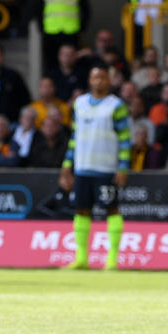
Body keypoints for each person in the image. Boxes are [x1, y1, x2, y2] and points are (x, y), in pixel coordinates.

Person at [59, 64, 130, 270]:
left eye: (103, 78)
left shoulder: (116, 106)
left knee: (111, 209)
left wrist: (123, 167)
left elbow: (125, 139)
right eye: (95, 77)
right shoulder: (79, 103)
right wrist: (67, 165)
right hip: (82, 167)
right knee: (81, 210)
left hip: (106, 168)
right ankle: (81, 258)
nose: (99, 81)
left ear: (109, 80)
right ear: (90, 80)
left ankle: (112, 259)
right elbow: (74, 137)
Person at [38, 0, 89, 72]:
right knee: (51, 64)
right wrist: (41, 28)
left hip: (71, 32)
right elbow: (38, 10)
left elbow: (86, 9)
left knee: (72, 64)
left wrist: (82, 26)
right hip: (50, 32)